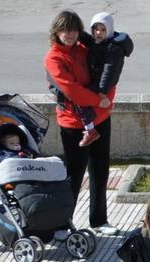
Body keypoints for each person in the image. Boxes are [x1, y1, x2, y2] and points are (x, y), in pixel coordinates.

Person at [43, 10, 117, 233]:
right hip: (73, 124)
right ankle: (62, 224)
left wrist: (106, 102)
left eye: (74, 30)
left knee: (100, 170)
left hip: (100, 118)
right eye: (65, 30)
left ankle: (99, 220)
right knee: (74, 175)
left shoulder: (84, 48)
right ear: (56, 32)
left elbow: (107, 74)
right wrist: (99, 100)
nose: (70, 34)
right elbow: (72, 90)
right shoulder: (53, 58)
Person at [77, 13, 132, 148]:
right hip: (96, 79)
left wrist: (102, 90)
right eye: (96, 29)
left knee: (80, 99)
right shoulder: (100, 42)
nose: (98, 33)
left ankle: (90, 130)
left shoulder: (113, 48)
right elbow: (88, 40)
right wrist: (75, 28)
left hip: (101, 84)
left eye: (103, 30)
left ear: (109, 30)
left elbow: (110, 70)